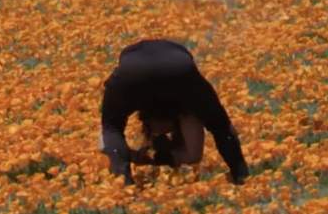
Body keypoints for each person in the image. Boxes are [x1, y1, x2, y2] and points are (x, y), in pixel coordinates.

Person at [98, 39, 249, 185]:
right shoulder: (188, 101)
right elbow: (215, 135)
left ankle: (122, 185)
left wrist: (132, 156)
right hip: (177, 68)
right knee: (219, 125)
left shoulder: (182, 104)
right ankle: (242, 176)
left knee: (112, 128)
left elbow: (109, 133)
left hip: (133, 69)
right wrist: (157, 158)